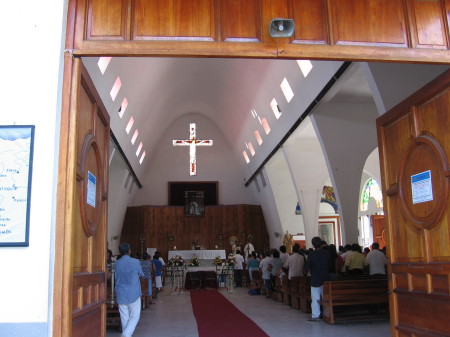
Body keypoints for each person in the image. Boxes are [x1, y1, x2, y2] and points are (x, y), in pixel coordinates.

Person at [114, 242, 144, 337]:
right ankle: (126, 335)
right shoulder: (135, 262)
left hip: (120, 292)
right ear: (129, 251)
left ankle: (126, 334)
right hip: (133, 292)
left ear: (120, 252)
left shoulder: (117, 263)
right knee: (134, 316)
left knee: (124, 317)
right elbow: (142, 274)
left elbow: (115, 277)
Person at [307, 236, 330, 322]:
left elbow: (308, 266)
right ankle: (327, 314)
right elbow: (330, 265)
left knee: (316, 298)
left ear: (313, 245)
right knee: (326, 297)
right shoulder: (326, 253)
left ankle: (316, 316)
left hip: (315, 278)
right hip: (325, 278)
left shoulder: (311, 254)